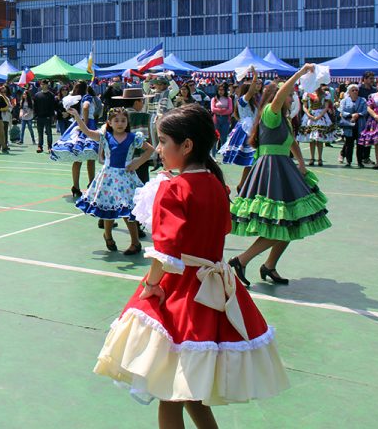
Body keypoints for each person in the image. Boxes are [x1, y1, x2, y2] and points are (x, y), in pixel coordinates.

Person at [94, 104, 289, 423]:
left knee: (169, 392)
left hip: (181, 293)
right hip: (215, 290)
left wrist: (152, 286)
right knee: (191, 391)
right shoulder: (216, 184)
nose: (157, 149)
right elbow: (222, 229)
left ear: (186, 146)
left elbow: (166, 252)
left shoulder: (172, 189)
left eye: (162, 141)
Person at [229, 63, 331, 286]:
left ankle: (269, 266)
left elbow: (292, 141)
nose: (292, 98)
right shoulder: (270, 112)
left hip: (283, 167)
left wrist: (302, 163)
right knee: (280, 222)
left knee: (292, 223)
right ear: (278, 97)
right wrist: (300, 73)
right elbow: (282, 93)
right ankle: (241, 260)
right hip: (271, 170)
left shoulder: (283, 119)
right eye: (289, 95)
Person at [70, 106, 154, 255]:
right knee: (108, 208)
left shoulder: (133, 137)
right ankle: (108, 235)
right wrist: (77, 116)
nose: (120, 123)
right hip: (108, 178)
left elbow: (150, 149)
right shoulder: (105, 136)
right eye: (116, 120)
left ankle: (135, 242)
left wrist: (137, 163)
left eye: (123, 120)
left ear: (127, 122)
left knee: (129, 211)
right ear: (109, 122)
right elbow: (87, 132)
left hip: (126, 178)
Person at [51, 83, 102, 198]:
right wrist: (85, 123)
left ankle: (76, 187)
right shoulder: (87, 97)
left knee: (79, 157)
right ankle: (91, 184)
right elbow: (86, 107)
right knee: (90, 155)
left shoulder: (79, 98)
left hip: (79, 123)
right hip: (87, 124)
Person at [220, 68, 260, 192]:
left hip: (254, 130)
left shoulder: (254, 102)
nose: (257, 88)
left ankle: (247, 185)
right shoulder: (243, 100)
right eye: (254, 87)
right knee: (251, 160)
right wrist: (254, 76)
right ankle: (242, 185)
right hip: (247, 131)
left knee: (254, 161)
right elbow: (252, 89)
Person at [297, 84, 335, 166]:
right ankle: (312, 157)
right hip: (310, 116)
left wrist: (319, 116)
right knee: (312, 139)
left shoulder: (325, 94)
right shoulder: (307, 93)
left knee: (319, 138)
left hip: (321, 116)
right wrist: (309, 115)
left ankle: (320, 158)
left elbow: (326, 106)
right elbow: (304, 106)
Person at [337, 84, 368, 167]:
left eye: (356, 90)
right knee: (349, 144)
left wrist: (358, 114)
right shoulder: (344, 101)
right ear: (349, 92)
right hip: (348, 124)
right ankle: (348, 161)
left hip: (360, 124)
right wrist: (351, 115)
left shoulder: (363, 100)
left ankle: (360, 161)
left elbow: (365, 111)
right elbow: (342, 111)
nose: (355, 92)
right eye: (353, 90)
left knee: (360, 144)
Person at [210, 82, 234, 158]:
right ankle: (213, 156)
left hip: (225, 119)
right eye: (219, 90)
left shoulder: (229, 99)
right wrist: (223, 109)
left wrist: (220, 110)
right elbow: (213, 109)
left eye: (222, 90)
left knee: (224, 138)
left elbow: (230, 110)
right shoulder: (214, 99)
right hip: (216, 119)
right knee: (214, 138)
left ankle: (224, 156)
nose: (221, 91)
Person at [33, 80, 57, 153]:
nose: (42, 85)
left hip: (48, 117)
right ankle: (40, 147)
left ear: (47, 85)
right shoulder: (37, 95)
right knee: (40, 133)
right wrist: (36, 115)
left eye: (44, 84)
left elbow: (53, 106)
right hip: (39, 117)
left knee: (49, 133)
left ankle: (50, 147)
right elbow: (35, 107)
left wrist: (51, 116)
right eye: (41, 84)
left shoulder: (51, 95)